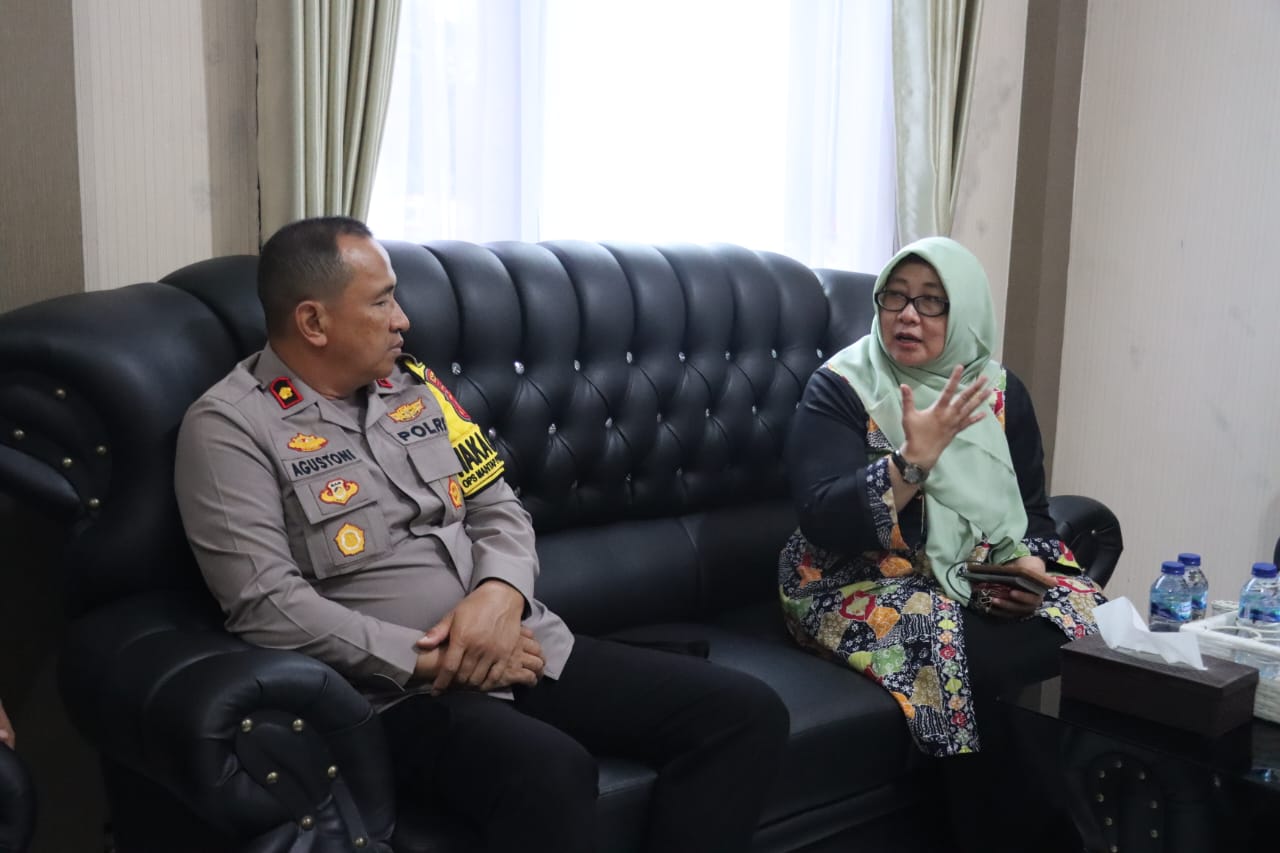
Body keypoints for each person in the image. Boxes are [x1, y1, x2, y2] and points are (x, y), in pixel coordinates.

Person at [175, 216, 788, 853]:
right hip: (395, 694)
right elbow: (265, 603)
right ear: (313, 322)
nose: (402, 319)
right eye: (381, 302)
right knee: (551, 770)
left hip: (519, 643)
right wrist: (434, 659)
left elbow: (498, 505)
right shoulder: (230, 427)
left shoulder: (413, 387)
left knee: (743, 714)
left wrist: (500, 596)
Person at [777, 236, 1106, 852]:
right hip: (855, 578)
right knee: (959, 655)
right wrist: (911, 461)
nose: (908, 315)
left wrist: (1027, 567)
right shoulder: (843, 386)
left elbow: (1032, 512)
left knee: (1093, 624)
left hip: (977, 568)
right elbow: (822, 518)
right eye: (896, 297)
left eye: (932, 301)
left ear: (966, 312)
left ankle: (1114, 816)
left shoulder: (998, 392)